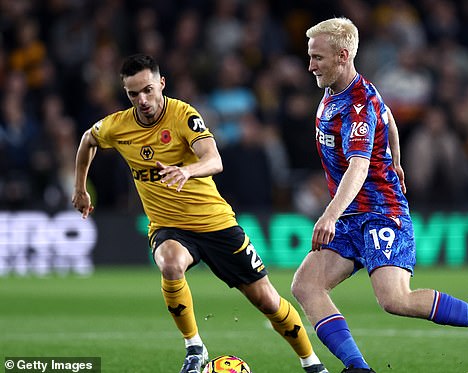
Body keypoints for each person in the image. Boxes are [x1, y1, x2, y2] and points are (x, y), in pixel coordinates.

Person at [290, 17, 468, 373]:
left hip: (379, 212)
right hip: (351, 214)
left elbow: (358, 168)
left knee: (394, 299)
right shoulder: (334, 93)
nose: (310, 65)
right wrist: (397, 160)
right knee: (306, 286)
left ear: (343, 56)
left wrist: (328, 214)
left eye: (317, 58)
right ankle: (358, 368)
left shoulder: (357, 104)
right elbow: (388, 118)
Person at [72, 54, 328, 373]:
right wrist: (80, 188)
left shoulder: (183, 115)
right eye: (133, 94)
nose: (142, 100)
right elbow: (87, 140)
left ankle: (311, 362)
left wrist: (187, 171)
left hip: (215, 224)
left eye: (148, 90)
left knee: (267, 301)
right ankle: (194, 346)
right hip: (169, 226)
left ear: (161, 83)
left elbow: (214, 159)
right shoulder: (118, 126)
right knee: (169, 262)